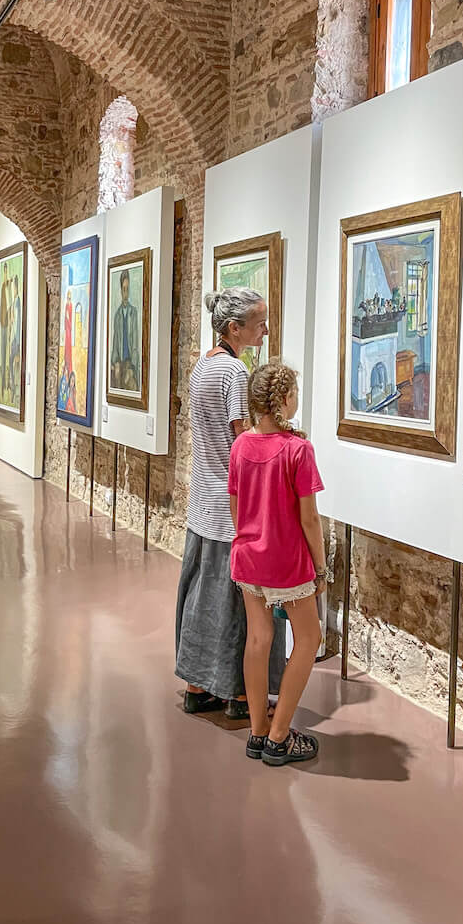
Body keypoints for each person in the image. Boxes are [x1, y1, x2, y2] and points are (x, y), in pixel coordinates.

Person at [175, 287, 286, 720]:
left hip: (203, 501)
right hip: (229, 508)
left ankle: (197, 686)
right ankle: (240, 695)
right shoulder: (235, 373)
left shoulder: (203, 366)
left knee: (202, 600)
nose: (265, 329)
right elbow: (243, 442)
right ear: (234, 328)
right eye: (259, 323)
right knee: (238, 607)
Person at [228, 360, 326, 765]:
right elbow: (310, 518)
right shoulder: (297, 450)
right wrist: (320, 568)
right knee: (309, 638)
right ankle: (280, 736)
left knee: (258, 638)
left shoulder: (241, 446)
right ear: (285, 400)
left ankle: (257, 732)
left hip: (249, 558)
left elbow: (235, 505)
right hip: (286, 562)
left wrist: (250, 538)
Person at [111, 269, 139, 391]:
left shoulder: (133, 312)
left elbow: (135, 342)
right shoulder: (117, 315)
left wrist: (133, 366)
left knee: (130, 381)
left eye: (127, 289)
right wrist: (115, 361)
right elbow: (115, 340)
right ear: (120, 291)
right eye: (123, 289)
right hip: (119, 360)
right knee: (116, 378)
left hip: (130, 361)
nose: (126, 293)